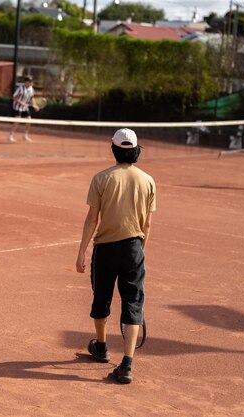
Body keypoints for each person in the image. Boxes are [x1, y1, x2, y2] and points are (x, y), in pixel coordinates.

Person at [75, 128, 156, 384]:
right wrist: (140, 251)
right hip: (134, 247)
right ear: (135, 149)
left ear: (114, 149)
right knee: (133, 302)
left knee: (102, 298)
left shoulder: (101, 178)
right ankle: (127, 363)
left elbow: (91, 219)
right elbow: (147, 224)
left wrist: (81, 252)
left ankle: (101, 347)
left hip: (106, 247)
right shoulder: (148, 180)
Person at [8, 76, 39, 143]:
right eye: (30, 81)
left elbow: (32, 98)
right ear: (26, 82)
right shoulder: (20, 88)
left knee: (29, 120)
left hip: (25, 107)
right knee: (17, 120)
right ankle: (10, 136)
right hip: (17, 107)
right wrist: (21, 103)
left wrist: (35, 105)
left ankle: (25, 135)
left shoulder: (31, 89)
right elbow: (14, 97)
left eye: (31, 82)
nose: (31, 83)